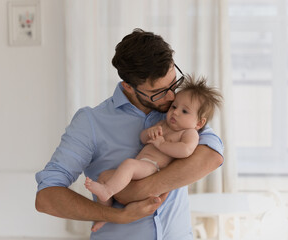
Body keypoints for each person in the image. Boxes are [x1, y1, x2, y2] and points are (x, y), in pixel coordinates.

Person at [35, 28, 224, 240]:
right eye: (159, 93)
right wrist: (116, 215)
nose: (171, 96)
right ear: (129, 87)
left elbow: (212, 157)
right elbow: (47, 196)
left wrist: (132, 192)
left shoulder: (182, 109)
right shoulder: (90, 123)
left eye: (173, 83)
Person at [85, 75, 222, 232]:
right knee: (104, 176)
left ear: (199, 122)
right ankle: (104, 215)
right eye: (174, 107)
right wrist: (149, 133)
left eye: (184, 111)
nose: (175, 113)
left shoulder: (189, 133)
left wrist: (162, 144)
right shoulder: (163, 124)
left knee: (129, 165)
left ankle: (108, 191)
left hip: (152, 167)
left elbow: (185, 150)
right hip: (142, 163)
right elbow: (143, 139)